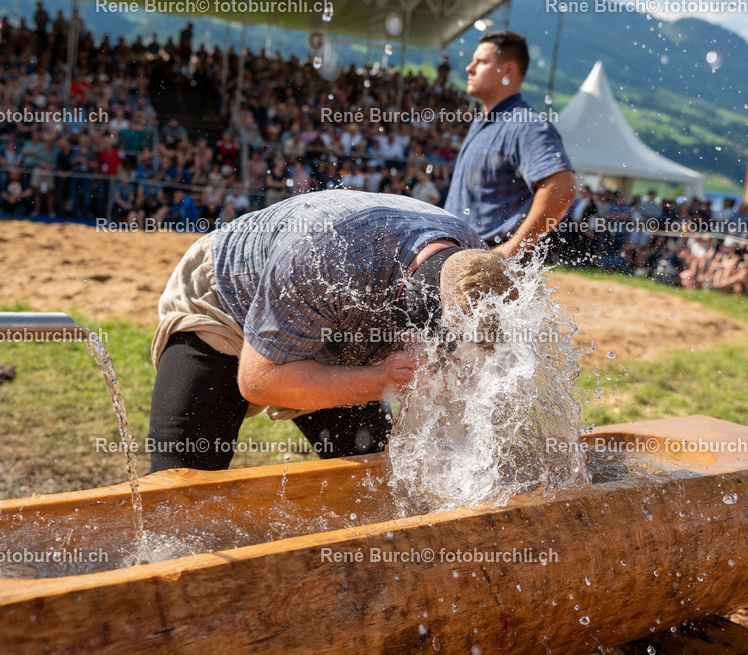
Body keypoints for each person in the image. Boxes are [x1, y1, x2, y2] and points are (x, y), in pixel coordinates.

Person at [148, 190, 515, 472]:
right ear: (413, 310)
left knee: (376, 482)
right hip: (228, 301)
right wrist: (381, 379)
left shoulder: (473, 258)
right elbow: (258, 380)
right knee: (180, 494)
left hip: (341, 318)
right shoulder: (321, 257)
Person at [444, 30, 577, 258]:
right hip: (463, 259)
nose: (469, 68)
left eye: (481, 62)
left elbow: (564, 187)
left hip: (487, 268)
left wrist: (511, 250)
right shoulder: (486, 121)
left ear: (508, 70)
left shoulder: (525, 124)